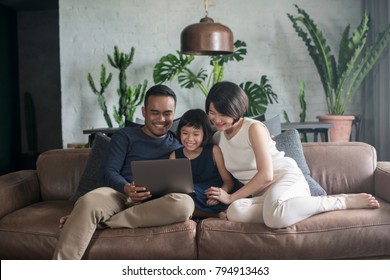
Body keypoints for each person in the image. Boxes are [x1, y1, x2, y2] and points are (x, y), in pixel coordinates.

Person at [204, 81, 380, 229]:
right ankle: (287, 207)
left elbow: (266, 175)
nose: (217, 119)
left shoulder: (253, 128)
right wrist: (224, 196)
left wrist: (231, 197)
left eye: (223, 114)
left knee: (274, 218)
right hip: (263, 195)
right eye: (212, 113)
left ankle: (339, 201)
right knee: (235, 211)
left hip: (285, 180)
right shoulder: (218, 138)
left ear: (237, 110)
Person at [53, 85, 195, 260]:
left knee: (185, 205)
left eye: (167, 113)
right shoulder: (125, 136)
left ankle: (94, 222)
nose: (161, 118)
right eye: (155, 112)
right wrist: (127, 188)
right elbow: (109, 171)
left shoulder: (180, 145)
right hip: (119, 195)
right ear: (144, 112)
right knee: (89, 200)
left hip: (155, 204)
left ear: (174, 113)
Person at [169, 109, 233, 219]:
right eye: (185, 133)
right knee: (179, 199)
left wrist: (220, 194)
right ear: (179, 132)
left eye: (196, 134)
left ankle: (216, 211)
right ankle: (215, 215)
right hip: (191, 199)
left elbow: (228, 181)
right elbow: (172, 186)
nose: (190, 139)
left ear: (204, 134)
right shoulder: (174, 156)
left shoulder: (213, 151)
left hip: (212, 196)